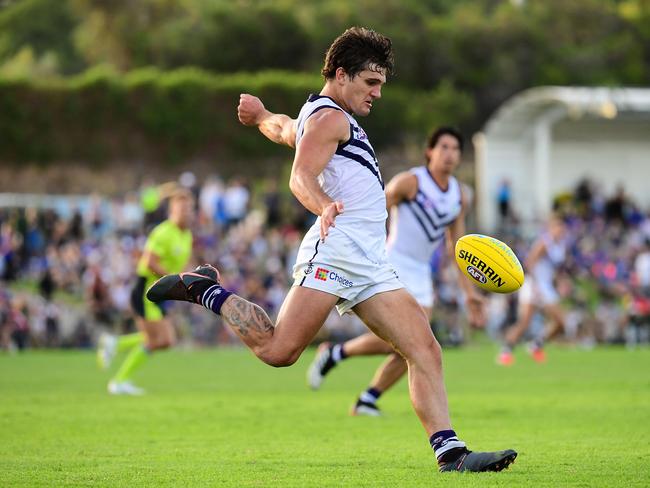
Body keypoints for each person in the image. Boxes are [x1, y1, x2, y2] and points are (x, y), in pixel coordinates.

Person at [147, 27, 516, 472]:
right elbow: (299, 176)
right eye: (371, 83)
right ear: (341, 75)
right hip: (337, 248)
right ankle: (204, 290)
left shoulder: (316, 116)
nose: (377, 93)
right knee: (279, 351)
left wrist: (262, 113)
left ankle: (451, 453)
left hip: (369, 261)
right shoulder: (331, 119)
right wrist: (322, 205)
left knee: (424, 348)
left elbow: (283, 130)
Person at [306, 127, 486, 416]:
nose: (450, 154)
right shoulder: (410, 182)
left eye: (456, 149)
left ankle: (364, 393)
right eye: (444, 147)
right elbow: (373, 210)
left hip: (421, 273)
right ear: (430, 151)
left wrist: (470, 293)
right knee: (414, 341)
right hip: (394, 262)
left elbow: (457, 247)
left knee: (416, 346)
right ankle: (347, 367)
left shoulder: (459, 197)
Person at [97, 188, 194, 394]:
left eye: (188, 210)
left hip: (162, 292)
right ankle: (119, 381)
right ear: (171, 212)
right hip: (147, 291)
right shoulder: (163, 232)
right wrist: (176, 280)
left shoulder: (186, 236)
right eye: (181, 210)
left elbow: (183, 264)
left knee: (166, 340)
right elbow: (149, 262)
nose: (185, 213)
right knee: (157, 340)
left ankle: (116, 344)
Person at [498, 215, 568, 366]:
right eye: (557, 227)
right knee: (524, 322)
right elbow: (530, 262)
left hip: (546, 286)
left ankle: (536, 345)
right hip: (535, 285)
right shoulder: (544, 242)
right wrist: (536, 285)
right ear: (551, 228)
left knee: (561, 322)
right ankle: (506, 351)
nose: (560, 231)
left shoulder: (560, 245)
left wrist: (560, 282)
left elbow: (554, 269)